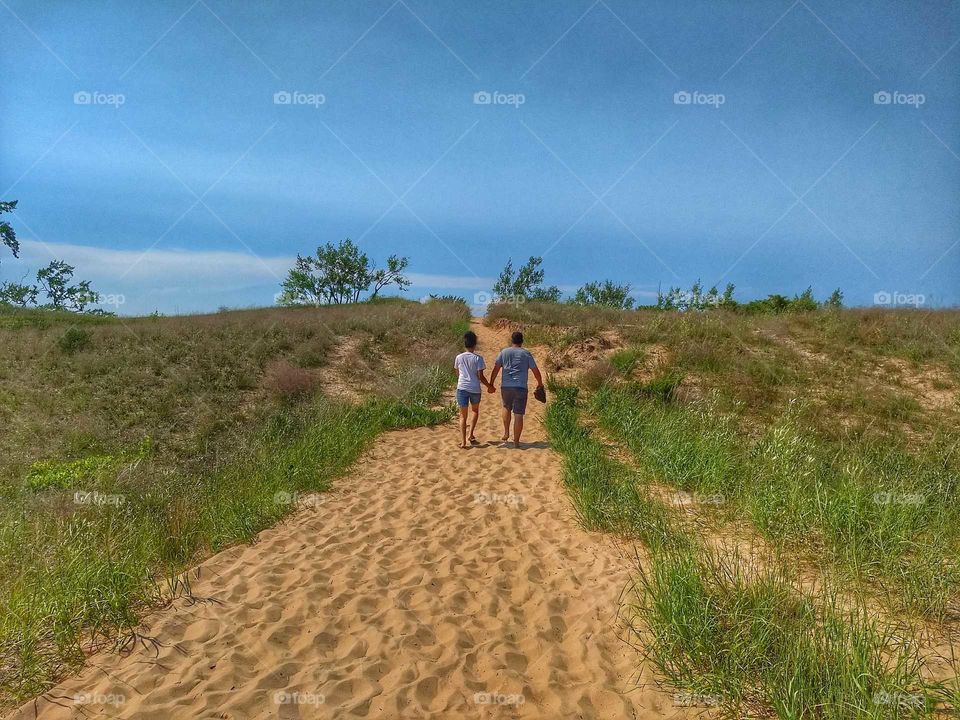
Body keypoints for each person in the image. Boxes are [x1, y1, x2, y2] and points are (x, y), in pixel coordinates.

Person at [488, 331, 544, 448]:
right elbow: (536, 371)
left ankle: (506, 432)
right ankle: (516, 442)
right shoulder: (526, 354)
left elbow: (496, 369)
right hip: (521, 387)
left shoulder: (504, 352)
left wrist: (491, 384)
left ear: (511, 340)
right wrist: (540, 384)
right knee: (518, 414)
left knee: (506, 408)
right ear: (521, 341)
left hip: (506, 386)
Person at [453, 330, 495, 449]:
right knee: (475, 411)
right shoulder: (478, 358)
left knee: (462, 416)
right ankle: (470, 434)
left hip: (462, 387)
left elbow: (457, 373)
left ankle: (463, 442)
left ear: (465, 344)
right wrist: (489, 386)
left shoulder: (459, 357)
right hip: (475, 388)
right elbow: (480, 376)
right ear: (474, 344)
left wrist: (462, 380)